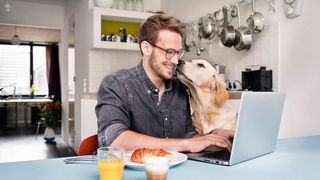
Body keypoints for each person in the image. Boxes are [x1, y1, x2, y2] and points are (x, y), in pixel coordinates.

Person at [95, 15, 234, 153]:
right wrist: (185, 144)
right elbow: (115, 140)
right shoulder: (116, 84)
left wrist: (213, 137)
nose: (175, 61)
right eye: (169, 52)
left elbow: (188, 135)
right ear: (146, 48)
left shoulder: (179, 88)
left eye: (178, 53)